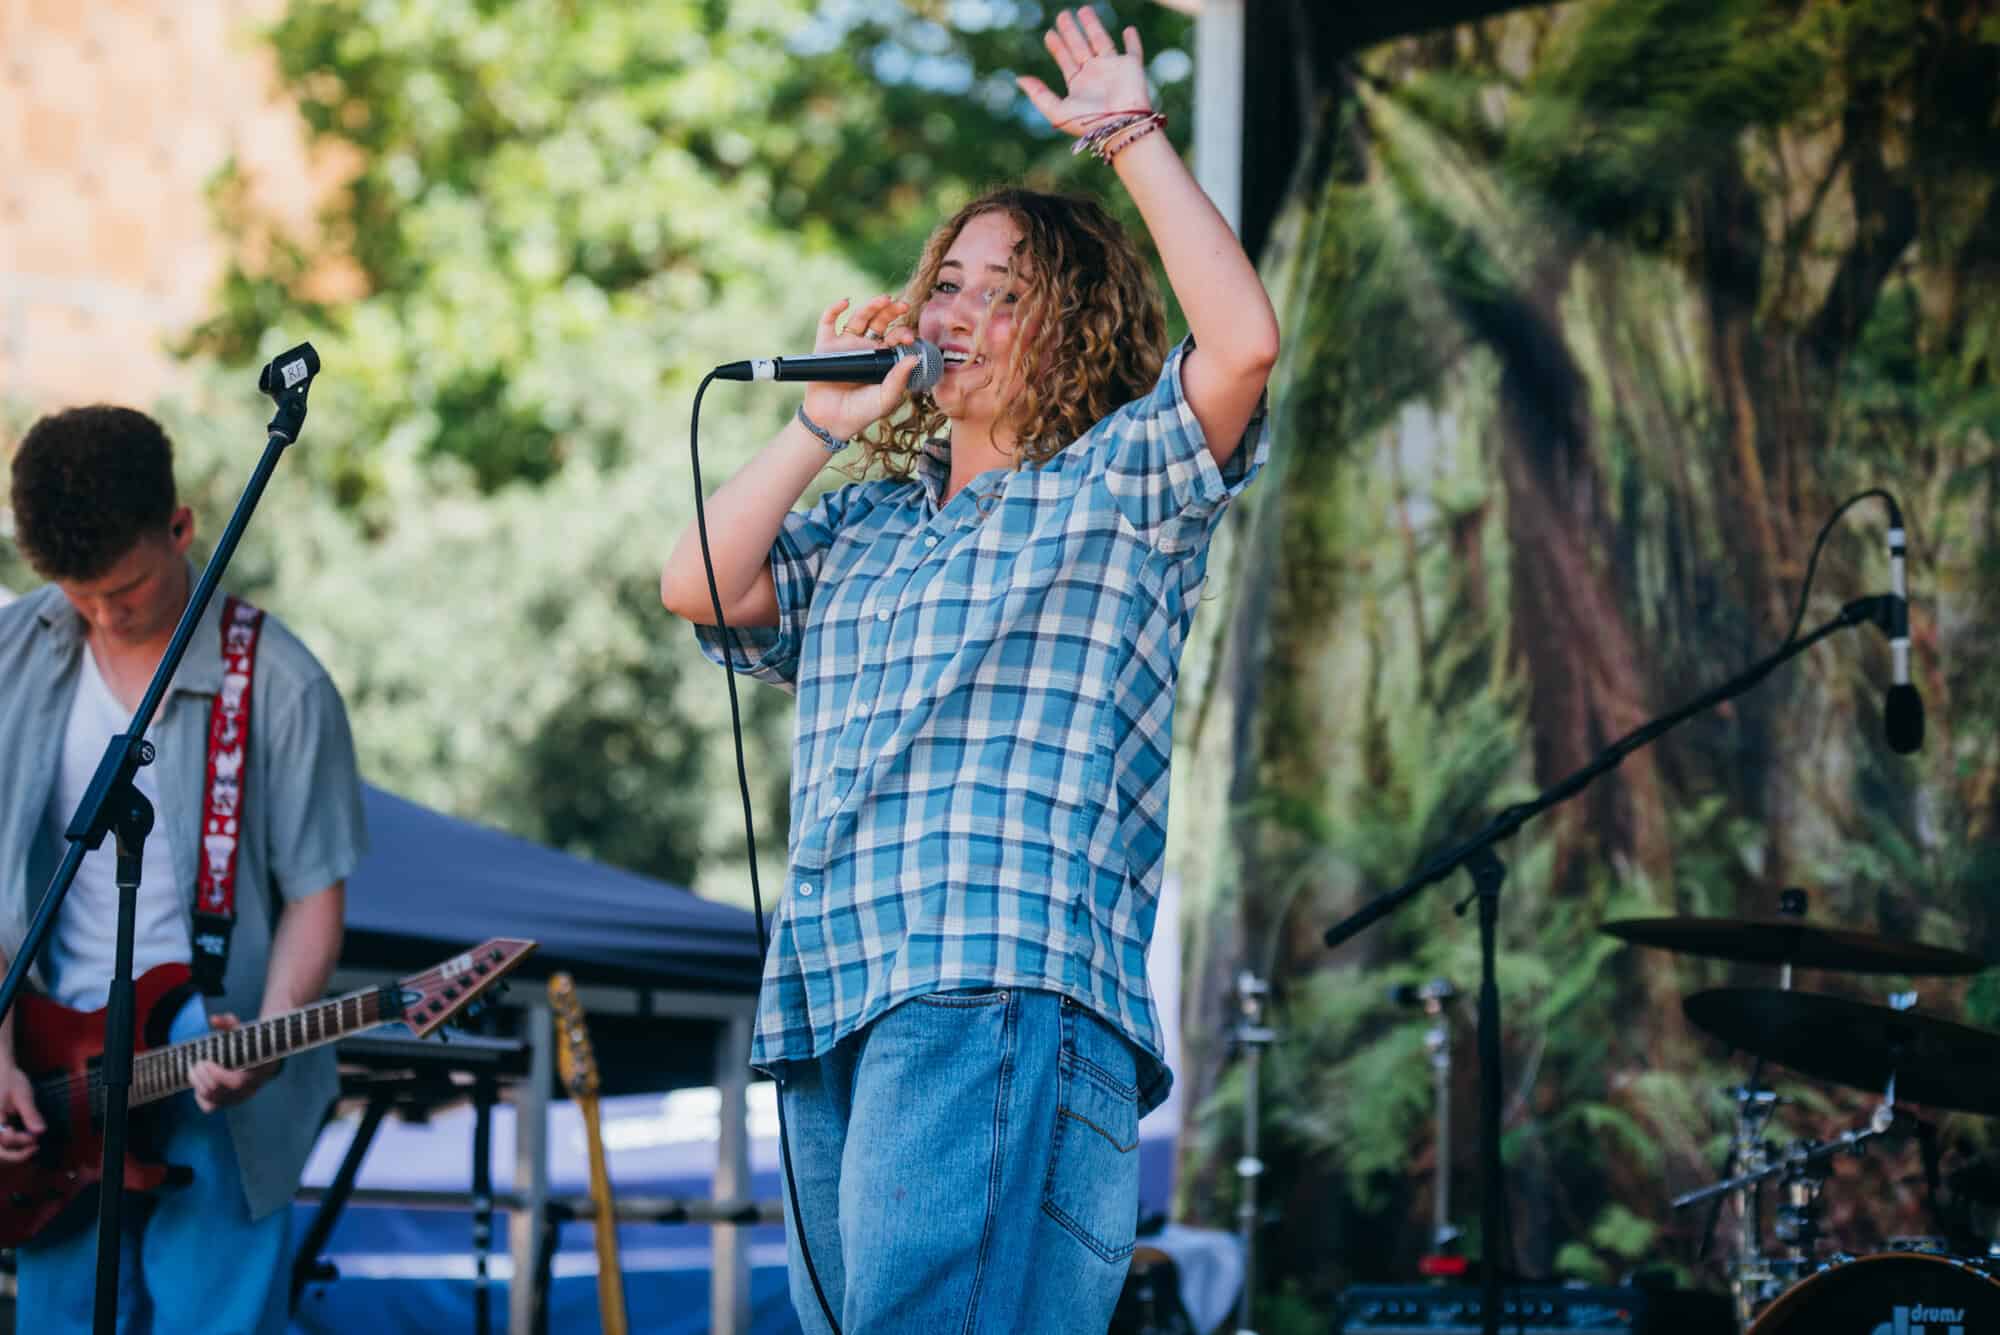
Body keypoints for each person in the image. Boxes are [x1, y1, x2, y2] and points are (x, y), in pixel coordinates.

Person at [660, 10, 1278, 1332]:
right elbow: (698, 585)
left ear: (1074, 330)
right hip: (834, 989)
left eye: (1006, 292)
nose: (961, 312)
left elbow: (1239, 347)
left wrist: (1129, 134)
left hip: (990, 968)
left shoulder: (1115, 487)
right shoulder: (868, 527)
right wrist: (817, 424)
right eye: (948, 283)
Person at [0, 405, 366, 1334]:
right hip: (47, 1069)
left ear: (180, 527)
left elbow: (315, 896)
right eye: (79, 593)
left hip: (211, 1056)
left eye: (124, 586)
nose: (104, 613)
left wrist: (272, 1035)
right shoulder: (14, 653)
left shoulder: (281, 682)